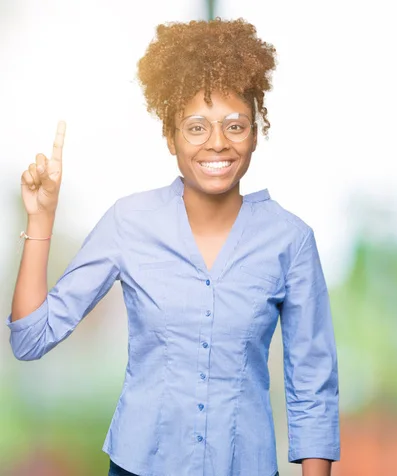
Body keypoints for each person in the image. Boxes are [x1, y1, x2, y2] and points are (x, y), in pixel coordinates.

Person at [7, 18, 340, 476]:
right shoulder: (130, 222)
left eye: (235, 125)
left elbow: (312, 387)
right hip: (139, 465)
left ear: (256, 132)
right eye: (196, 127)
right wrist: (41, 217)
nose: (217, 142)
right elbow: (30, 338)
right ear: (170, 136)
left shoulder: (291, 240)